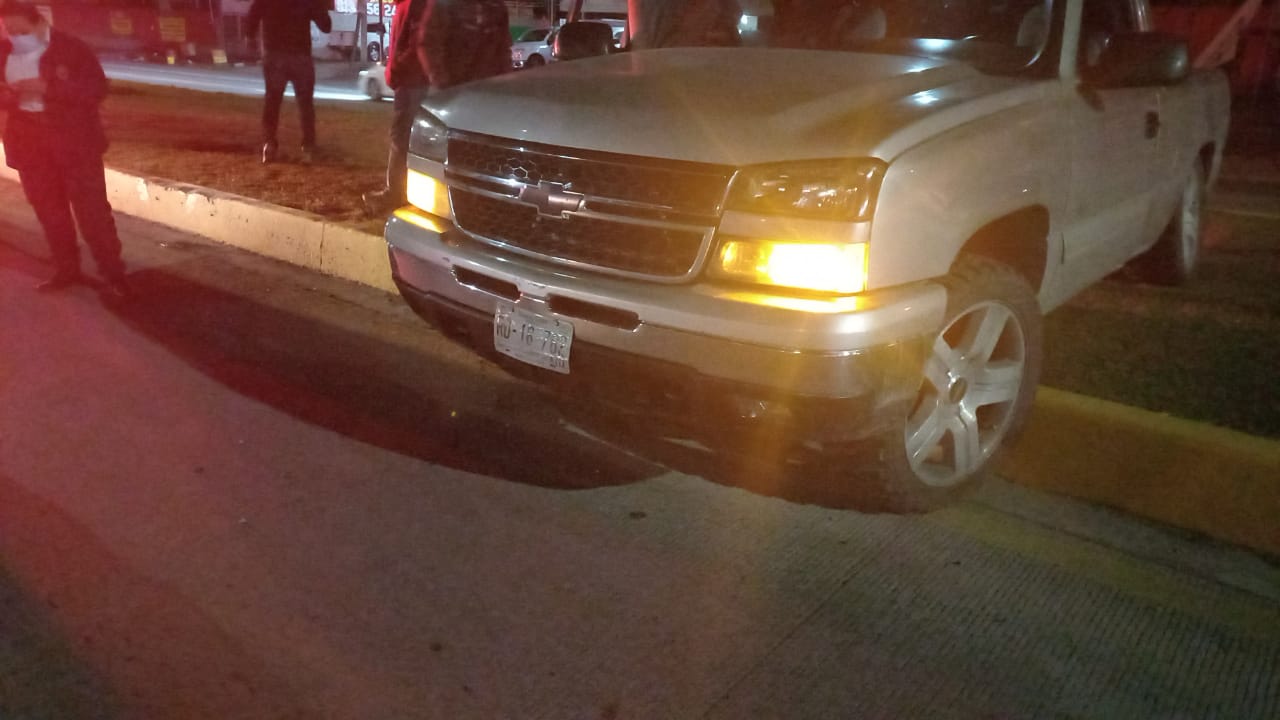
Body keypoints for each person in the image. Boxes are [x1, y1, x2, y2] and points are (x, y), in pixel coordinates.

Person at [0, 0, 130, 298]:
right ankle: (67, 269)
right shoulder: (4, 52)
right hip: (30, 143)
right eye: (10, 31)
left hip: (75, 143)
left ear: (38, 23)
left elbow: (96, 90)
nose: (15, 37)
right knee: (50, 212)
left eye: (21, 30)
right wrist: (9, 95)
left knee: (92, 213)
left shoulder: (70, 48)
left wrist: (47, 89)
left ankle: (114, 274)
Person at [363, 0, 511, 216]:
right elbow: (426, 43)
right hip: (454, 90)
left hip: (457, 91)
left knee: (419, 142)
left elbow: (425, 42)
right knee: (430, 144)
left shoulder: (489, 7)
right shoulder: (484, 6)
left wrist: (440, 84)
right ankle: (418, 196)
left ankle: (461, 202)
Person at [246, 0, 331, 164]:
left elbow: (254, 12)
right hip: (300, 55)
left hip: (274, 53)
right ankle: (308, 147)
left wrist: (250, 36)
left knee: (272, 101)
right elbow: (326, 25)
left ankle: (269, 145)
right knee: (305, 104)